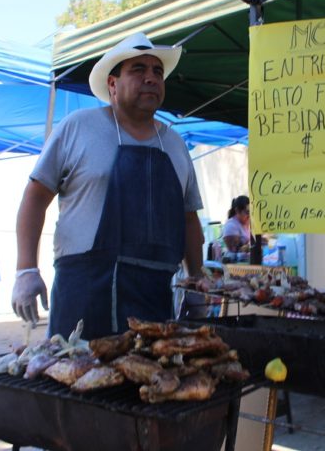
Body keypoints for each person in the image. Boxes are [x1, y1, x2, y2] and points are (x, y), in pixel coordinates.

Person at [11, 32, 205, 340]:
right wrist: (26, 269)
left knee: (153, 381)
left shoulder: (176, 144)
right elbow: (35, 197)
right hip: (85, 295)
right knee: (76, 379)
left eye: (157, 71)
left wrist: (195, 280)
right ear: (112, 85)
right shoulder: (78, 128)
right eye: (138, 70)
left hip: (154, 299)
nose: (151, 78)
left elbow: (188, 219)